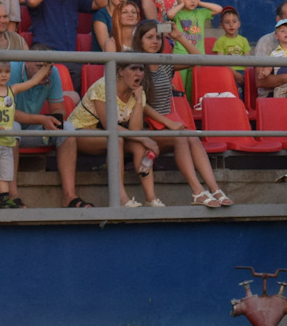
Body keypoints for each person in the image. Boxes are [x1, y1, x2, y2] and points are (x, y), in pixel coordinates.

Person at [130, 23, 231, 207]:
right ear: (140, 40)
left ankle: (214, 189)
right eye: (149, 37)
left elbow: (200, 59)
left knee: (192, 136)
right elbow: (140, 103)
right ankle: (197, 191)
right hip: (145, 127)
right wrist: (168, 122)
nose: (155, 41)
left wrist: (178, 37)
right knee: (182, 137)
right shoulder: (135, 65)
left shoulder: (164, 63)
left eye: (158, 37)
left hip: (165, 126)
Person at [56, 62, 165, 208]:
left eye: (141, 69)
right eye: (133, 68)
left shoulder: (139, 92)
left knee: (138, 145)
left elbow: (135, 130)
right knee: (118, 139)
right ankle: (121, 197)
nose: (139, 73)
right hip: (80, 132)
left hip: (109, 135)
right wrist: (145, 138)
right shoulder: (104, 86)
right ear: (120, 71)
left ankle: (151, 198)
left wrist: (139, 101)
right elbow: (109, 126)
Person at [0, 61, 54, 208]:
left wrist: (46, 67)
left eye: (7, 71)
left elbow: (33, 81)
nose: (4, 75)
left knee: (5, 174)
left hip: (7, 141)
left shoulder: (12, 90)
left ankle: (4, 200)